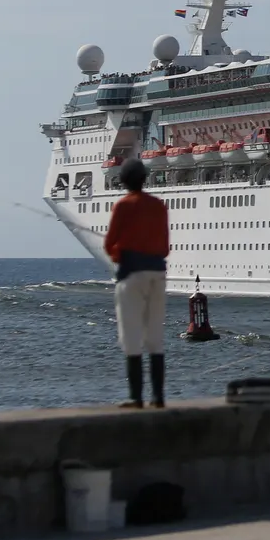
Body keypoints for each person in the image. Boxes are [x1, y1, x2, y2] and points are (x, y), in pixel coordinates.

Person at [102, 157, 170, 408]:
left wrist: (122, 253)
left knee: (131, 335)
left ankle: (136, 397)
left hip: (132, 275)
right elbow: (164, 247)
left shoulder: (123, 205)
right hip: (157, 274)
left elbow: (109, 245)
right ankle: (159, 397)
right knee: (155, 335)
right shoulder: (158, 206)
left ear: (123, 181)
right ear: (144, 179)